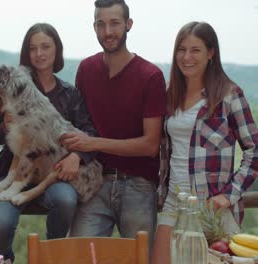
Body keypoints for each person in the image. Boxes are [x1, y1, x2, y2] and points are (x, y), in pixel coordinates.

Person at [0, 23, 98, 263]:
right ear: (27, 53)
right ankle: (6, 259)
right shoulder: (10, 84)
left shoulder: (70, 93)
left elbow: (88, 132)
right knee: (0, 223)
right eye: (33, 48)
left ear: (57, 50)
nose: (39, 53)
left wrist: (78, 157)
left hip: (53, 169)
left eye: (45, 47)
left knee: (65, 200)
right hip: (13, 168)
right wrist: (5, 123)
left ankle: (50, 256)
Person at [61, 0, 166, 247]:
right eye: (101, 24)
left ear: (128, 25)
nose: (108, 32)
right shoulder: (86, 69)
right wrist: (77, 152)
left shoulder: (150, 76)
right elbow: (79, 125)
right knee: (78, 256)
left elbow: (150, 145)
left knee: (139, 259)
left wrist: (92, 143)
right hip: (95, 182)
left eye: (115, 23)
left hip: (138, 185)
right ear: (94, 27)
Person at [151, 21, 258, 264]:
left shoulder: (229, 95)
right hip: (173, 202)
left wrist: (228, 195)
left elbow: (255, 150)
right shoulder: (170, 96)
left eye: (195, 50)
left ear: (211, 53)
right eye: (181, 49)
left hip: (212, 207)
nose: (186, 57)